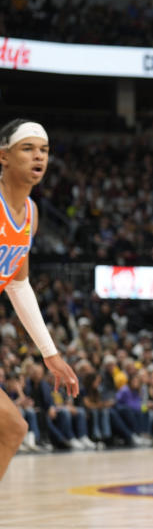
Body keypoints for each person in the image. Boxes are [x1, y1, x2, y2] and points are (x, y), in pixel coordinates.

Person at [0, 120, 80, 480]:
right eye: (27, 148)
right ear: (4, 156)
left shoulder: (30, 214)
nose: (38, 156)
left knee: (12, 430)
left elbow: (18, 285)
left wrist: (51, 354)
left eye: (44, 150)